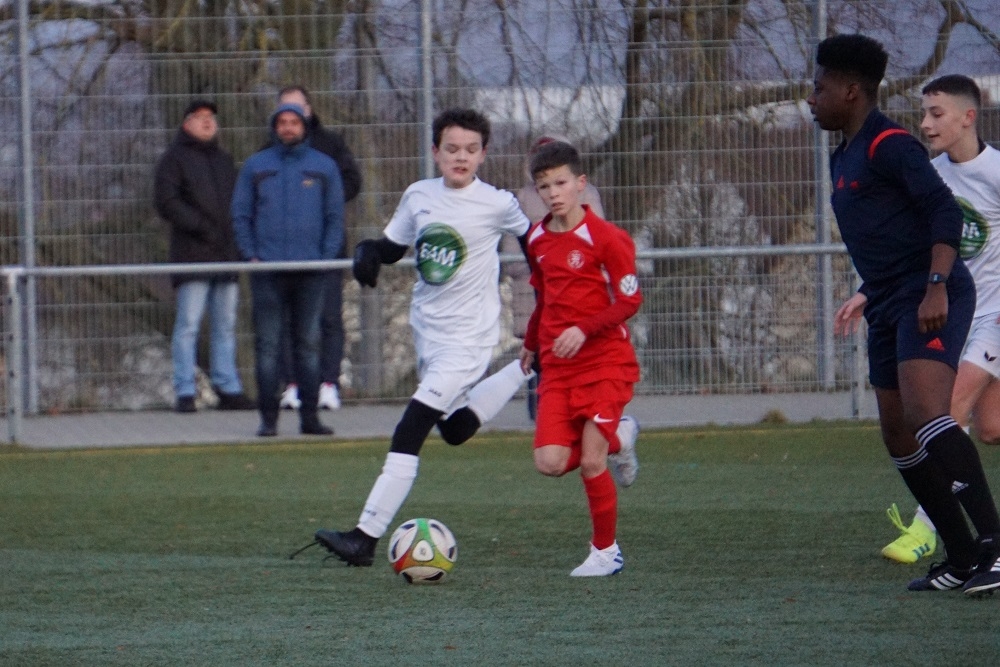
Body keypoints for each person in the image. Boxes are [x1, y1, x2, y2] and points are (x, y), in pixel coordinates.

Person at [301, 109, 534, 566]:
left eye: (471, 150)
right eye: (452, 149)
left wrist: (556, 296)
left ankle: (364, 538)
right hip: (429, 333)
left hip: (469, 340)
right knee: (454, 428)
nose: (461, 157)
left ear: (483, 154)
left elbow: (538, 248)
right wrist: (368, 251)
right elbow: (393, 247)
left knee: (411, 428)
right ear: (435, 152)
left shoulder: (498, 203)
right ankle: (530, 368)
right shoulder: (419, 195)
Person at [811, 33, 1000, 595]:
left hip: (931, 292)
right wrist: (869, 292)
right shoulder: (842, 155)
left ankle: (994, 545)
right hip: (889, 298)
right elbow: (886, 235)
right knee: (898, 434)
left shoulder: (891, 144)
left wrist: (936, 286)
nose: (811, 99)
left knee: (927, 412)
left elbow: (943, 213)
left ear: (851, 91)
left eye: (819, 88)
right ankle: (961, 555)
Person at [880, 75, 1000, 567]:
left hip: (995, 315)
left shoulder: (996, 172)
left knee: (944, 410)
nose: (925, 124)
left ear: (968, 117)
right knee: (990, 428)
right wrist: (865, 294)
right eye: (923, 113)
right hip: (953, 315)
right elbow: (915, 247)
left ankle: (929, 529)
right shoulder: (931, 177)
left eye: (936, 113)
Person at [518, 140, 641, 577]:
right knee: (549, 462)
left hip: (605, 360)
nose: (553, 193)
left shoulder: (607, 238)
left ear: (581, 183)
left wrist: (584, 328)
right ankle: (621, 438)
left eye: (561, 183)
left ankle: (606, 552)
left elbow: (630, 301)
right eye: (544, 186)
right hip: (558, 366)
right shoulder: (536, 238)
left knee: (591, 460)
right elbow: (545, 296)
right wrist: (531, 341)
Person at [231, 102, 344, 437]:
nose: (288, 127)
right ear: (274, 127)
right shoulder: (256, 166)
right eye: (282, 122)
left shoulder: (324, 166)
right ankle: (268, 421)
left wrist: (325, 258)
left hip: (311, 270)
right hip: (267, 271)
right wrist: (251, 254)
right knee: (267, 346)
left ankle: (310, 419)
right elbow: (241, 214)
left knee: (308, 345)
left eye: (294, 122)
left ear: (304, 126)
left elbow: (335, 217)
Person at [153, 99, 254, 413]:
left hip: (226, 255)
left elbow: (239, 203)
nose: (208, 121)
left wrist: (234, 239)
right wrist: (201, 227)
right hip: (193, 255)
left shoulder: (224, 160)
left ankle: (228, 387)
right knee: (189, 324)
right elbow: (166, 201)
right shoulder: (173, 160)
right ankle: (185, 390)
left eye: (211, 117)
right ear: (186, 124)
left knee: (225, 325)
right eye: (200, 117)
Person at [273, 86, 362, 413]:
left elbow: (352, 182)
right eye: (285, 109)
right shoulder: (268, 153)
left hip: (326, 249)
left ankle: (328, 384)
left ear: (309, 110)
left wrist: (320, 200)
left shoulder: (331, 145)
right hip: (283, 253)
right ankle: (293, 385)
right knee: (287, 320)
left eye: (297, 108)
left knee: (328, 317)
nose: (291, 117)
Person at [502, 134, 605, 420]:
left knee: (582, 368)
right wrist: (544, 268)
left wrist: (570, 268)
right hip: (534, 299)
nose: (553, 194)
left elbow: (599, 246)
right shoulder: (522, 199)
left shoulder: (587, 195)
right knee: (541, 367)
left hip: (580, 299)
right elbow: (512, 255)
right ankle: (544, 424)